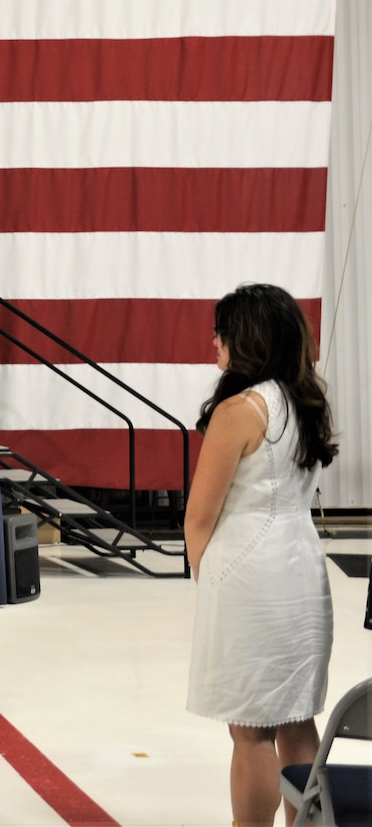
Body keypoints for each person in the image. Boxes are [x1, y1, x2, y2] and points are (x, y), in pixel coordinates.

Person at [184, 283, 336, 827]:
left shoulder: (240, 410)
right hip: (303, 565)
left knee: (250, 731)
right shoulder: (307, 401)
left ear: (244, 339)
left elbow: (199, 515)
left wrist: (207, 578)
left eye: (221, 331)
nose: (214, 342)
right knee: (298, 720)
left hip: (249, 572)